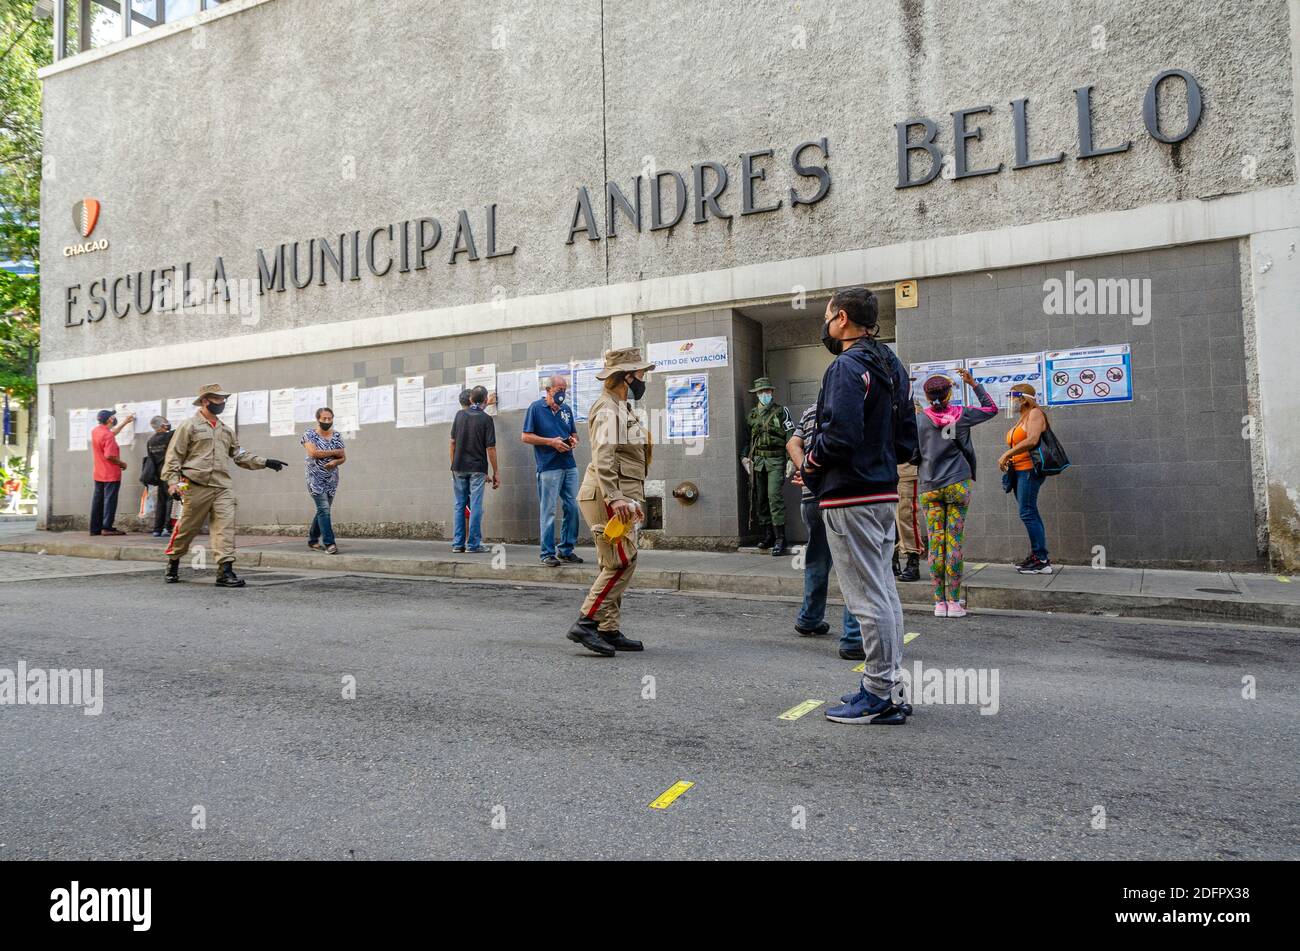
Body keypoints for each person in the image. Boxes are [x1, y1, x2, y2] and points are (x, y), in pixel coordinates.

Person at [803, 287, 918, 726]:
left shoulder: (846, 367)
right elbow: (907, 438)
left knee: (867, 596)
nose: (826, 324)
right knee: (883, 592)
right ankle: (885, 684)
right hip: (882, 491)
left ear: (843, 318)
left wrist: (811, 467)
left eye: (828, 316)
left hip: (850, 493)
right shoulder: (890, 364)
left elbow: (839, 435)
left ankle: (879, 695)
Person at [565, 348, 654, 657]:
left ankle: (608, 629)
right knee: (620, 561)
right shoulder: (608, 409)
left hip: (618, 495)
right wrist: (616, 498)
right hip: (605, 497)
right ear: (627, 376)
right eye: (641, 373)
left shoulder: (620, 407)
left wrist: (629, 498)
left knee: (615, 561)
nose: (644, 378)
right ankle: (586, 622)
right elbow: (604, 456)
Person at [161, 384, 287, 587]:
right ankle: (173, 560)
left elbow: (239, 455)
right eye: (218, 399)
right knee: (187, 528)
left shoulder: (226, 430)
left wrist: (265, 462)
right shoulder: (189, 426)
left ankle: (225, 571)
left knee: (225, 528)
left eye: (223, 399)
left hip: (222, 487)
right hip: (195, 484)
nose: (222, 403)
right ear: (205, 401)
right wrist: (173, 483)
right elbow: (174, 455)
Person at [916, 368, 998, 618]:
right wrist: (973, 384)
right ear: (950, 393)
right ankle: (954, 602)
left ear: (927, 396)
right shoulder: (962, 415)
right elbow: (991, 408)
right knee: (954, 542)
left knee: (935, 542)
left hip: (929, 485)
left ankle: (938, 603)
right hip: (958, 483)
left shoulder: (918, 420)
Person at [786, 404, 864, 659]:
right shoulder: (851, 408)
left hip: (810, 499)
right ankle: (853, 637)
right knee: (851, 566)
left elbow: (792, 445)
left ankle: (809, 619)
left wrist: (806, 472)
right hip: (839, 496)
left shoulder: (810, 411)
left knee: (817, 561)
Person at [522, 373, 584, 567]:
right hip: (548, 466)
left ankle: (566, 549)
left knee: (572, 507)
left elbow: (574, 433)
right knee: (548, 510)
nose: (562, 394)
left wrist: (573, 441)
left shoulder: (566, 410)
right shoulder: (536, 408)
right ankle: (547, 553)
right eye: (559, 390)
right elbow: (525, 436)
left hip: (569, 464)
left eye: (564, 391)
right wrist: (551, 442)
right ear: (548, 390)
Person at [998, 382, 1053, 574]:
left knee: (1027, 512)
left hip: (1029, 470)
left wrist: (1006, 454)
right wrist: (1010, 458)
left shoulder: (1035, 413)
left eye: (1013, 397)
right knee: (1028, 512)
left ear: (1023, 399)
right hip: (1019, 470)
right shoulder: (1022, 417)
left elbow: (1032, 440)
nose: (1010, 402)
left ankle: (1042, 559)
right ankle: (1037, 555)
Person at [741, 376, 795, 556]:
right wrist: (744, 457)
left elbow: (790, 435)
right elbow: (748, 438)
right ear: (756, 394)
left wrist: (790, 459)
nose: (765, 394)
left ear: (772, 392)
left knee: (774, 497)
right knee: (761, 498)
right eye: (761, 392)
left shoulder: (781, 411)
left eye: (767, 391)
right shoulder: (752, 415)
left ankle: (780, 537)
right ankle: (768, 535)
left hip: (776, 459)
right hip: (758, 461)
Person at [449, 385, 498, 553]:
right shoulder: (486, 419)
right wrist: (495, 471)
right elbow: (490, 448)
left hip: (458, 467)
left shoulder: (459, 415)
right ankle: (473, 544)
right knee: (476, 505)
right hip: (477, 467)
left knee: (459, 505)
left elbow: (453, 442)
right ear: (485, 400)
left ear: (470, 400)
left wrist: (453, 464)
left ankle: (458, 544)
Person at [301, 407, 346, 554]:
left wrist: (335, 462)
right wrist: (334, 452)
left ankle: (313, 540)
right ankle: (329, 543)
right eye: (324, 419)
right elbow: (314, 453)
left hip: (331, 478)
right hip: (315, 477)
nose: (327, 421)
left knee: (323, 510)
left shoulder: (337, 436)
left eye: (329, 419)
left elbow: (343, 457)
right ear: (318, 419)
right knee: (324, 510)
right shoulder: (309, 434)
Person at [89, 408, 135, 536]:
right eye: (113, 416)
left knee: (98, 501)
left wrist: (125, 422)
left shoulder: (96, 431)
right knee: (110, 501)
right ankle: (107, 527)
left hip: (98, 473)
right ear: (110, 419)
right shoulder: (107, 435)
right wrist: (122, 464)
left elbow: (111, 433)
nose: (114, 418)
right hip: (110, 474)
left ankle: (95, 529)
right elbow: (109, 455)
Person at [144, 416, 174, 537]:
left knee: (161, 501)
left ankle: (157, 529)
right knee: (171, 499)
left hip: (158, 474)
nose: (168, 424)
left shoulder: (150, 441)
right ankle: (168, 527)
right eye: (166, 422)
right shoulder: (169, 436)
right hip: (170, 473)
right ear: (162, 426)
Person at [893, 461, 923, 582]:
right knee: (887, 516)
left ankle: (913, 562)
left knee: (906, 515)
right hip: (883, 467)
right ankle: (892, 560)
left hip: (905, 468)